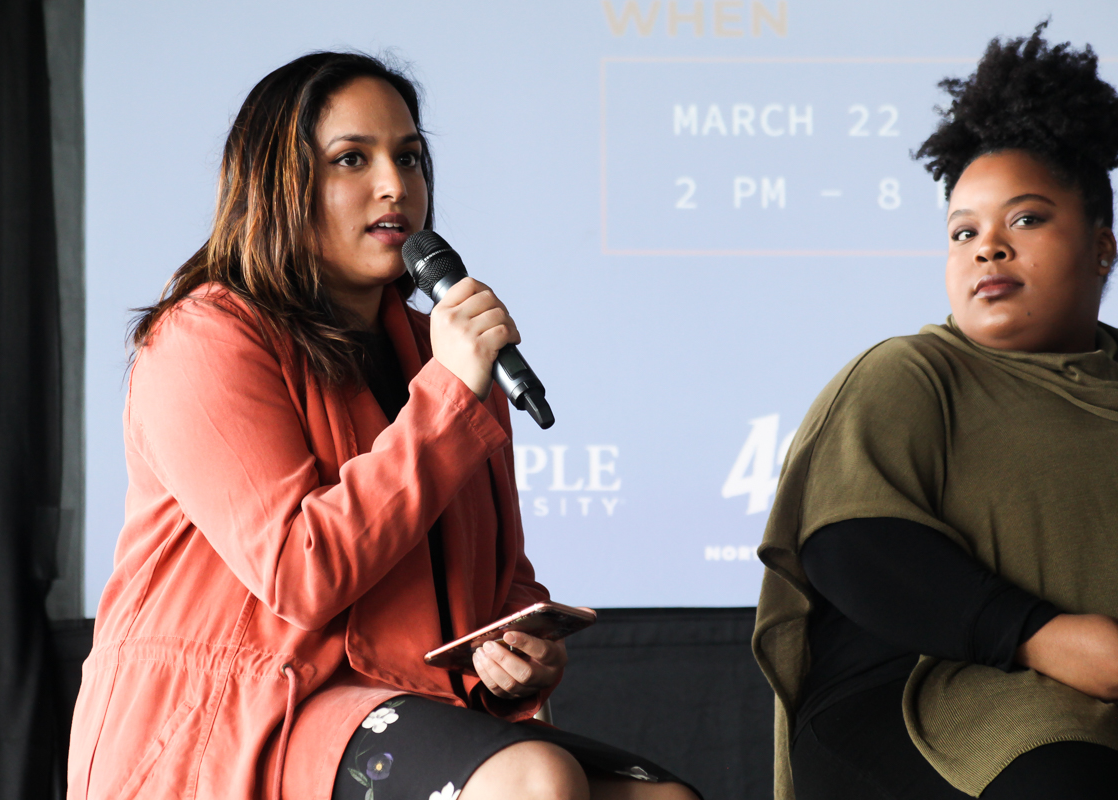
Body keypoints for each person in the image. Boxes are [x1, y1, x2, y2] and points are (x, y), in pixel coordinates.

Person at [66, 52, 698, 800]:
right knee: (534, 777)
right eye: (351, 160)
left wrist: (511, 656)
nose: (395, 185)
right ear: (280, 184)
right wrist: (449, 396)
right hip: (240, 717)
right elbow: (300, 572)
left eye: (410, 157)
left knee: (658, 798)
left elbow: (493, 584)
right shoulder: (204, 341)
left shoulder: (446, 358)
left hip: (389, 702)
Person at [753, 23, 1118, 800]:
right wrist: (1044, 639)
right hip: (924, 698)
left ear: (1102, 248)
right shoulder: (911, 373)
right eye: (964, 232)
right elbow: (851, 545)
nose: (988, 249)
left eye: (1025, 219)